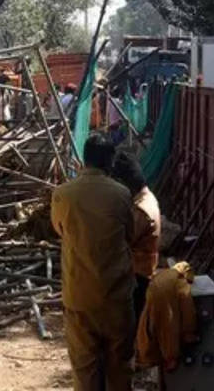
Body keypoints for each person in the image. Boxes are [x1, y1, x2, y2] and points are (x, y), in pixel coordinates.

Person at [51, 134, 135, 391]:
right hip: (116, 295)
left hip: (79, 296)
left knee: (85, 368)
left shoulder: (63, 194)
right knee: (119, 366)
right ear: (109, 162)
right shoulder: (121, 194)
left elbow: (59, 229)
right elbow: (129, 234)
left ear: (84, 160)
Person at [111, 151, 161, 323]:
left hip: (138, 277)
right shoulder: (146, 199)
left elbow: (122, 241)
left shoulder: (141, 210)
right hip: (140, 273)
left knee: (132, 326)